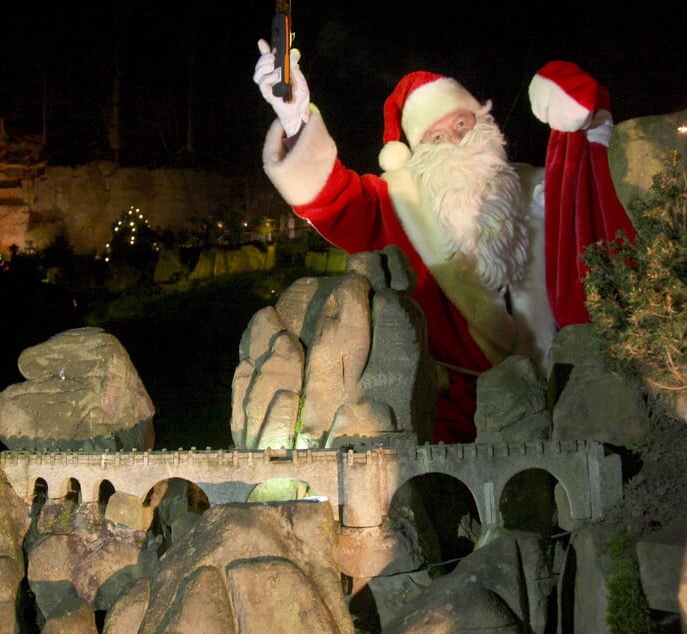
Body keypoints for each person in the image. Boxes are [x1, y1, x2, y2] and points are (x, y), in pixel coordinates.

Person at [253, 39, 635, 443]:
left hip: (563, 391)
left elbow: (593, 182)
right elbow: (336, 198)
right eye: (435, 138)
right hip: (451, 410)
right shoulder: (402, 208)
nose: (454, 142)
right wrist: (296, 122)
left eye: (461, 125)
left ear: (484, 124)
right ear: (417, 158)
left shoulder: (543, 191)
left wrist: (578, 109)